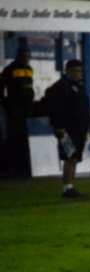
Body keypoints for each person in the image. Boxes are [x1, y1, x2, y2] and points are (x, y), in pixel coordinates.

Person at [47, 59, 90, 198]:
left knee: (75, 158)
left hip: (80, 128)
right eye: (74, 71)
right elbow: (55, 109)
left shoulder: (79, 86)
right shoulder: (60, 87)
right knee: (69, 157)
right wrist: (59, 126)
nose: (77, 74)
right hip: (67, 129)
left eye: (79, 71)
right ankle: (67, 187)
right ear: (67, 71)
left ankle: (70, 186)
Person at [0, 47, 35, 178]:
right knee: (15, 136)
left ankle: (24, 165)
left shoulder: (29, 69)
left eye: (28, 56)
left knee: (24, 136)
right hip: (14, 108)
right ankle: (14, 165)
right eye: (25, 56)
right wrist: (4, 103)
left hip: (27, 108)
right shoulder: (10, 69)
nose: (27, 59)